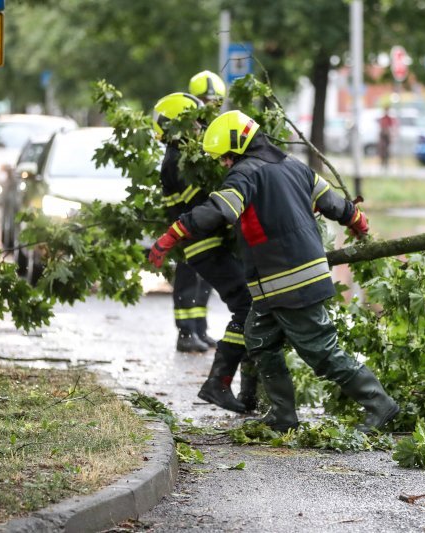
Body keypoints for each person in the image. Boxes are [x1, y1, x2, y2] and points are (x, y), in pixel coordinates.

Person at [148, 110, 400, 433]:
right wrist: (358, 222)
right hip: (273, 286)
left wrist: (173, 234)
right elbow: (334, 203)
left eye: (225, 157)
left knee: (322, 352)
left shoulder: (244, 175)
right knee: (258, 340)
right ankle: (283, 415)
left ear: (237, 148)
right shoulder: (297, 167)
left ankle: (380, 404)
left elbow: (219, 211)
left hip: (289, 281)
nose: (224, 164)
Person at [152, 92, 258, 413]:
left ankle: (238, 388)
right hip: (202, 244)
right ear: (178, 125)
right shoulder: (177, 163)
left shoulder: (182, 157)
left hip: (209, 243)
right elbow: (203, 204)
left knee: (247, 305)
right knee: (247, 306)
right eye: (196, 122)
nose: (200, 127)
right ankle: (219, 381)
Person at [167, 72, 228, 352]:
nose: (211, 107)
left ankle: (200, 330)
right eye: (206, 102)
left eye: (216, 102)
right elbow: (186, 188)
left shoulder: (208, 135)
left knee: (204, 281)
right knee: (188, 278)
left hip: (203, 224)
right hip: (187, 223)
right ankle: (185, 334)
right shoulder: (179, 145)